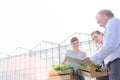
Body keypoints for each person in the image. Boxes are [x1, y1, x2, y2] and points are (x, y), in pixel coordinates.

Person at [82, 9, 120, 80]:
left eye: (99, 21)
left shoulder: (112, 23)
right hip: (111, 65)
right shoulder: (114, 24)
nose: (99, 25)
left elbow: (110, 46)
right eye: (93, 39)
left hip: (116, 62)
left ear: (104, 16)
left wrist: (91, 59)